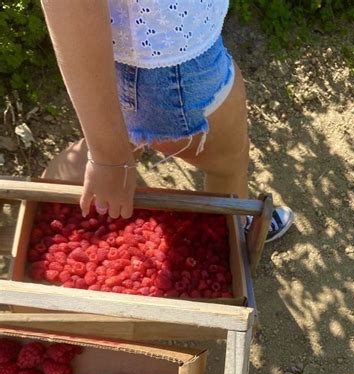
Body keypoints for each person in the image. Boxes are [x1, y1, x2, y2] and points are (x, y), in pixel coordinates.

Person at [41, 0, 294, 242]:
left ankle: (42, 222)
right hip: (173, 62)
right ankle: (233, 235)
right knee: (230, 162)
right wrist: (109, 159)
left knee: (120, 137)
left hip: (125, 53)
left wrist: (108, 155)